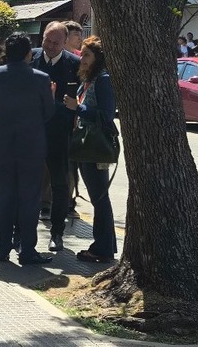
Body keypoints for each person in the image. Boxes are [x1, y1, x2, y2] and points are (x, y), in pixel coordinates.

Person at [0, 33, 55, 265]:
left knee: (4, 198)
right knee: (29, 199)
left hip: (4, 144)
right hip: (31, 145)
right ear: (29, 53)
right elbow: (48, 113)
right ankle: (27, 249)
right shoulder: (40, 78)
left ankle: (2, 248)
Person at [32, 22, 81, 252]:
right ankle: (23, 232)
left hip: (60, 135)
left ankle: (57, 232)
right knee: (29, 183)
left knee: (60, 184)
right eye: (47, 41)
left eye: (55, 43)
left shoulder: (75, 65)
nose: (50, 47)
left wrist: (55, 106)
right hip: (31, 134)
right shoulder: (30, 59)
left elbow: (77, 104)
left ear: (65, 42)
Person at [69, 36, 117, 263]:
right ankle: (103, 246)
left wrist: (79, 108)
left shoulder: (103, 80)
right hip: (84, 144)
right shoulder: (89, 79)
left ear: (98, 58)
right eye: (82, 54)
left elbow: (106, 115)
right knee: (98, 197)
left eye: (87, 55)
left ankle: (103, 248)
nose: (83, 59)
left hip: (96, 146)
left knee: (100, 198)